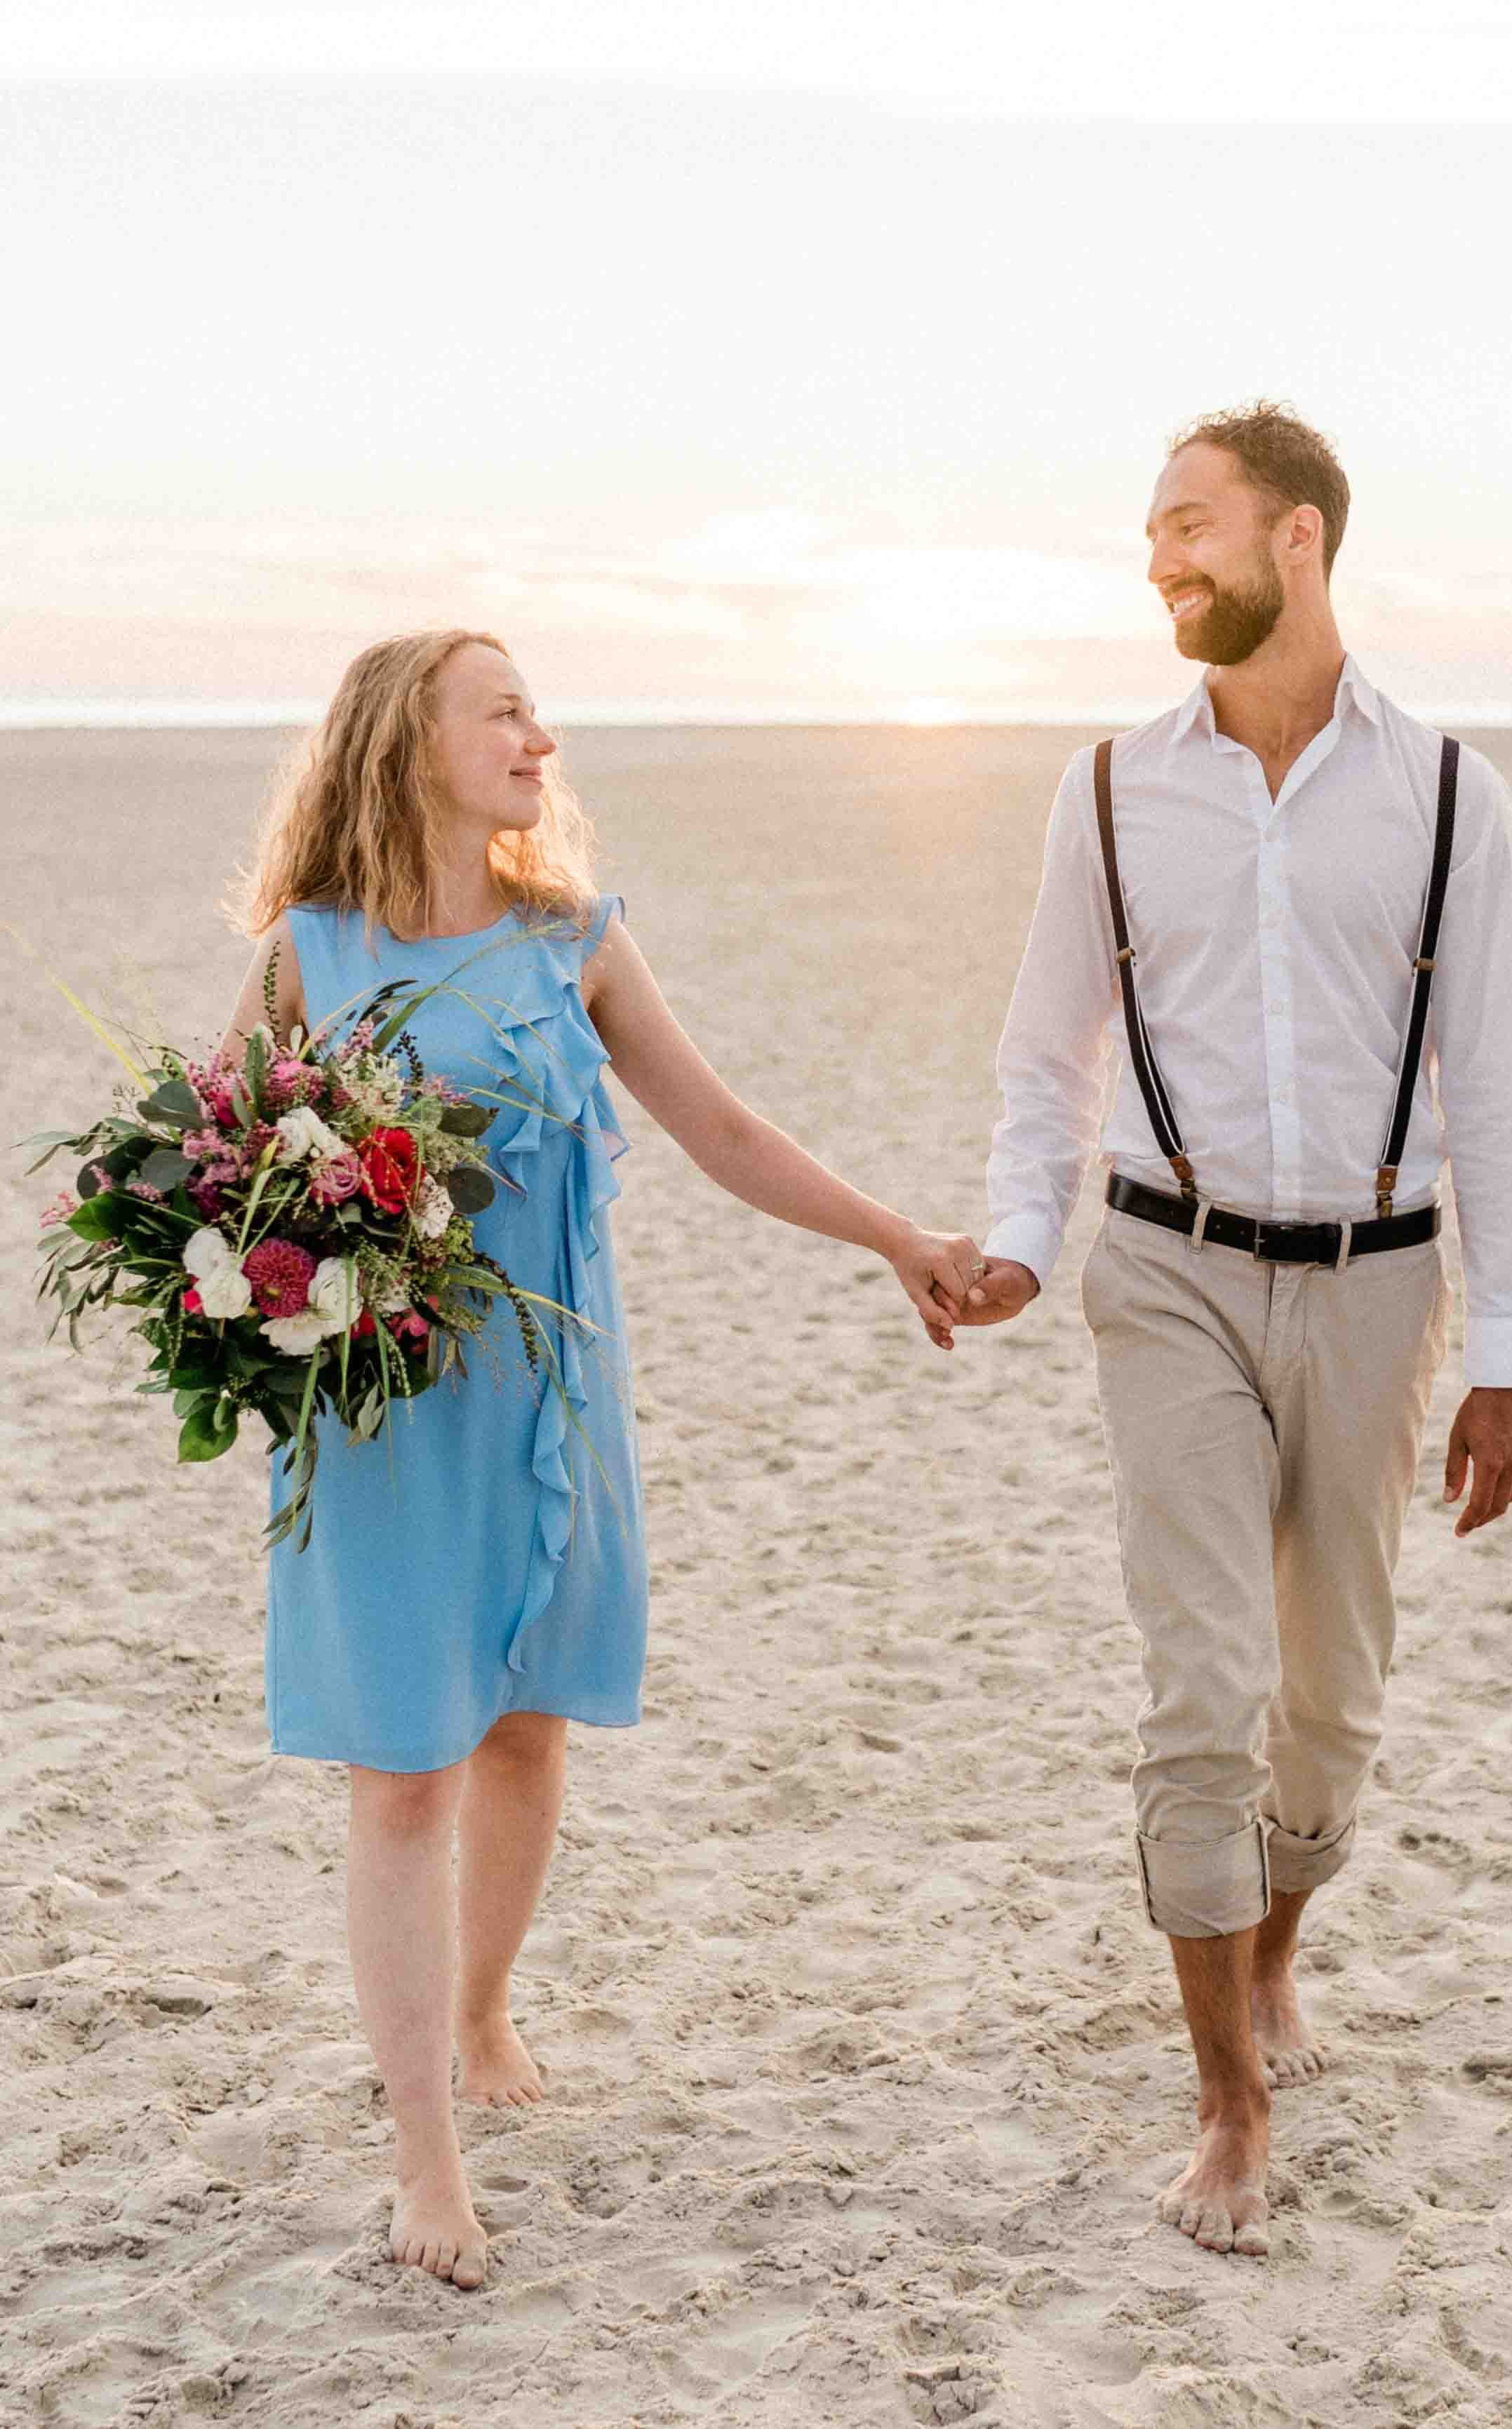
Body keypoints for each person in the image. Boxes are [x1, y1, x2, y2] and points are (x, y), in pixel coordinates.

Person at [220, 627, 982, 2290]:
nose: (537, 739)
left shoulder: (575, 941)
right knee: (403, 1768)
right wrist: (225, 1293)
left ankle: (484, 2006)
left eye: (534, 714)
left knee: (521, 1737)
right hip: (381, 1419)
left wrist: (892, 1237)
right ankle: (425, 2154)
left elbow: (723, 1132)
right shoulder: (310, 952)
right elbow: (214, 1160)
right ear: (407, 742)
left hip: (547, 1403)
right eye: (503, 713)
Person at [948, 405, 1512, 2260]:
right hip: (1166, 1272)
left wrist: (1508, 1348)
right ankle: (1228, 2091)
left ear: (1299, 538)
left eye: (1190, 523)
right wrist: (1019, 1241)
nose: (1159, 556)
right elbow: (1043, 1047)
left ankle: (1271, 1944)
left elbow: (1497, 1085)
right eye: (1147, 530)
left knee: (1330, 1702)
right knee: (1199, 1687)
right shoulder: (1110, 790)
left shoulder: (1449, 791)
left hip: (1380, 1279)